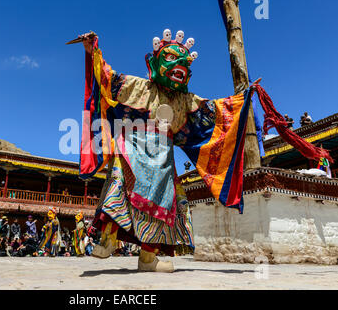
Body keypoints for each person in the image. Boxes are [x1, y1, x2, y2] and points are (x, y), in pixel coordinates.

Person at [76, 30, 258, 272]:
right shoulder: (139, 87)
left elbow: (215, 112)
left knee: (167, 205)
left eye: (183, 62)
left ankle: (148, 258)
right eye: (171, 58)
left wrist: (242, 100)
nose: (178, 65)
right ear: (154, 63)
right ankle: (108, 238)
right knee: (118, 185)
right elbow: (108, 79)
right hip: (133, 148)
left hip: (163, 160)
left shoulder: (186, 101)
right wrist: (92, 50)